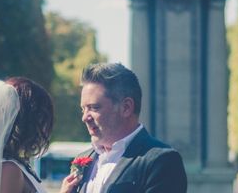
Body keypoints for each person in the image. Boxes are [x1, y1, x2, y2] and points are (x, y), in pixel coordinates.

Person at [73, 63, 187, 193]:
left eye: (94, 108)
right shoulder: (83, 158)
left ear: (126, 107)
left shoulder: (162, 161)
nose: (85, 117)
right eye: (83, 109)